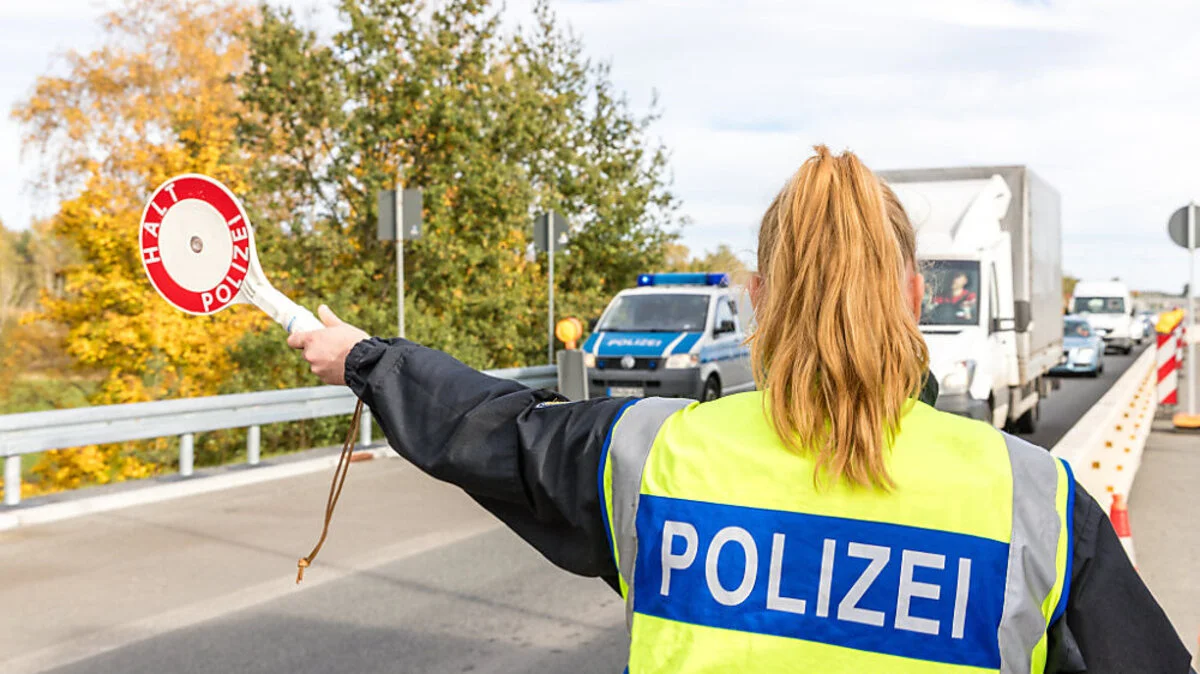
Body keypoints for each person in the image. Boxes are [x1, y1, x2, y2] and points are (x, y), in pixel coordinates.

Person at [288, 146, 1191, 673]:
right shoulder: (1034, 502)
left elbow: (492, 429)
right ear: (915, 297)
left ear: (758, 299)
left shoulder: (648, 454)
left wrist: (365, 359)